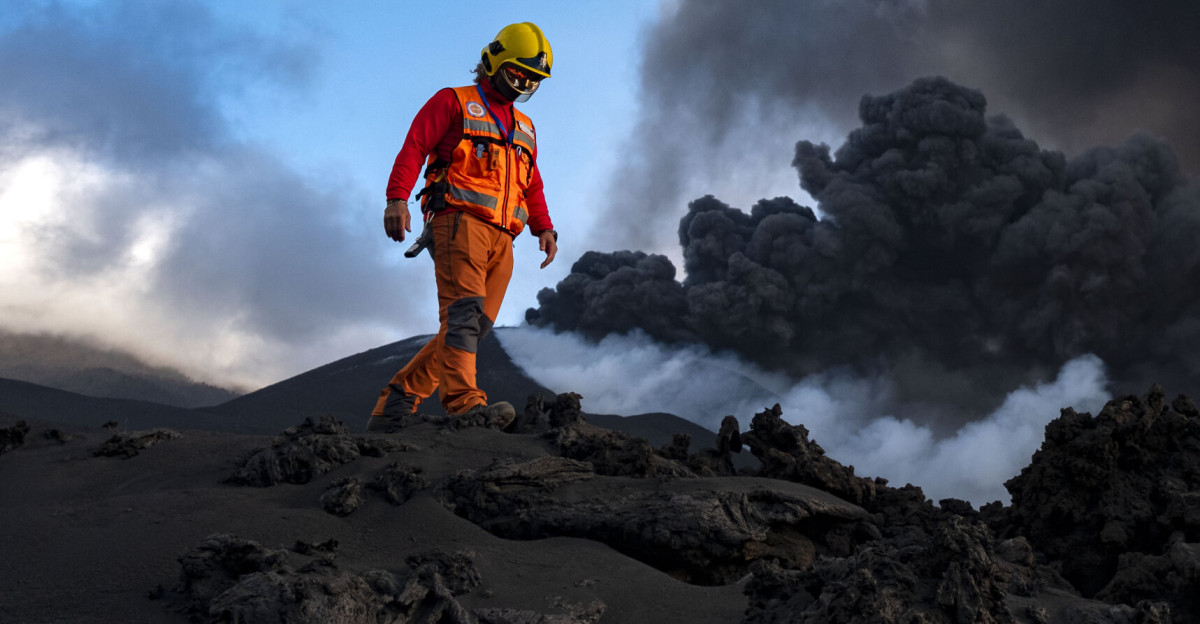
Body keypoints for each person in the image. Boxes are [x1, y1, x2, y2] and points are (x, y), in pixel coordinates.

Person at [368, 22, 558, 432]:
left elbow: (533, 182)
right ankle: (463, 404)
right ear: (493, 62)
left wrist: (544, 227)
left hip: (503, 238)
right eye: (517, 73)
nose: (523, 83)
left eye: (532, 79)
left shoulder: (525, 127)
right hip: (458, 224)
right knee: (463, 314)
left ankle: (396, 403)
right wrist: (397, 199)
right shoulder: (453, 102)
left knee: (476, 325)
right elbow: (415, 146)